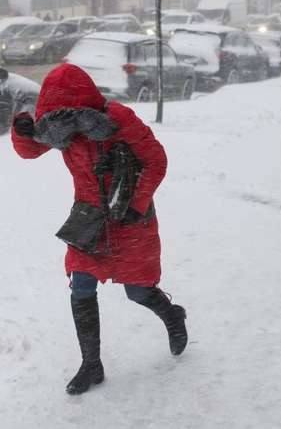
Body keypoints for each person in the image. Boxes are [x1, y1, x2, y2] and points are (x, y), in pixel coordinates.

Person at [11, 63, 188, 395]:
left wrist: (136, 204)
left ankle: (173, 316)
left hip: (130, 216)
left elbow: (157, 160)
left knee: (137, 290)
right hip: (88, 217)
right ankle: (91, 364)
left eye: (70, 115)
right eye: (57, 117)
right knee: (80, 284)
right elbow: (30, 149)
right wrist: (20, 131)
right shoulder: (60, 128)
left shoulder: (118, 119)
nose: (65, 126)